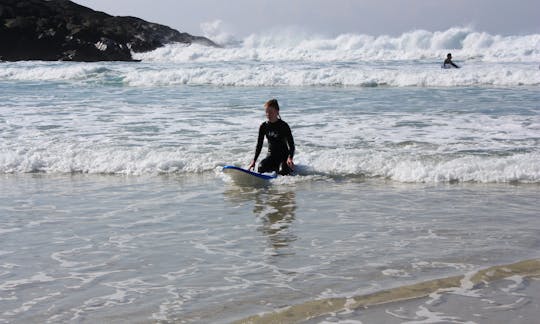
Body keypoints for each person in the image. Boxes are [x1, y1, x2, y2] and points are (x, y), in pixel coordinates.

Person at [248, 99, 295, 175]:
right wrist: (254, 160)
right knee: (260, 167)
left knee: (283, 171)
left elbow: (291, 145)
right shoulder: (264, 126)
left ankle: (288, 167)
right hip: (271, 156)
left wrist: (290, 158)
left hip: (283, 157)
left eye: (270, 112)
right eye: (266, 112)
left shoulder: (284, 126)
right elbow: (259, 145)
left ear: (277, 111)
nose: (268, 114)